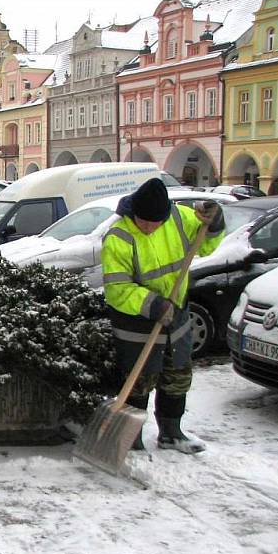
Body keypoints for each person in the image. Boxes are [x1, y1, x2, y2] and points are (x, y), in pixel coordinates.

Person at [101, 178, 225, 454]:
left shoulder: (179, 218)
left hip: (176, 316)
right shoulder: (118, 237)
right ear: (134, 213)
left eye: (154, 222)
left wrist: (215, 223)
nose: (149, 227)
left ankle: (171, 432)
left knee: (177, 376)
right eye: (143, 222)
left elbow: (206, 244)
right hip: (136, 322)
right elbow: (117, 289)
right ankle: (130, 439)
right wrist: (153, 304)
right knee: (138, 382)